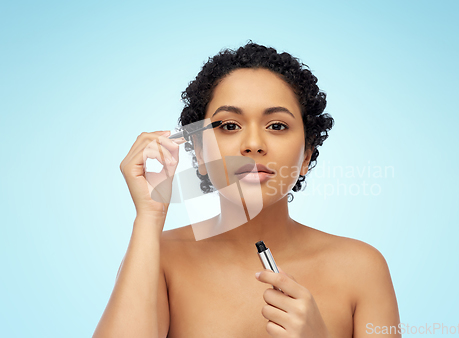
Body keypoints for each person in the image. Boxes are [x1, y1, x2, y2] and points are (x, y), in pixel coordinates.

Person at [93, 41, 401, 338]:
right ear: (200, 152)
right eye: (229, 125)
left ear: (306, 154)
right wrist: (149, 215)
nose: (253, 144)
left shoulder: (362, 268)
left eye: (277, 126)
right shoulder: (159, 257)